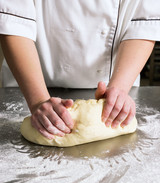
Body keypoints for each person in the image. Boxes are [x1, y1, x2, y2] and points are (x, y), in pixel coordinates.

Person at [0, 0, 159, 140]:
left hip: (114, 82)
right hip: (30, 84)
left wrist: (120, 87)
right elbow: (14, 21)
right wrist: (37, 100)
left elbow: (143, 23)